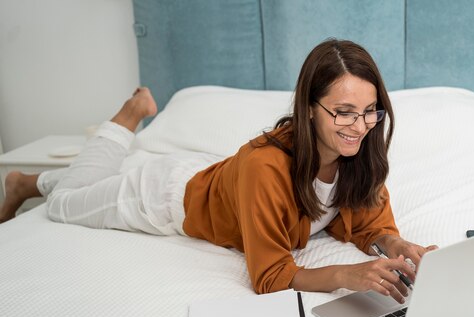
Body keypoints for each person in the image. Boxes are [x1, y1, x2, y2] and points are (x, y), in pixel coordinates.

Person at [0, 39, 436, 303]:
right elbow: (269, 277)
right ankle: (128, 117)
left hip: (215, 180)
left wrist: (399, 245)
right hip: (164, 198)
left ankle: (25, 181)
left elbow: (368, 222)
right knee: (62, 206)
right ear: (308, 110)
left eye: (368, 112)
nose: (359, 127)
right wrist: (347, 275)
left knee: (87, 189)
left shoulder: (360, 152)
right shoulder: (265, 167)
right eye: (343, 113)